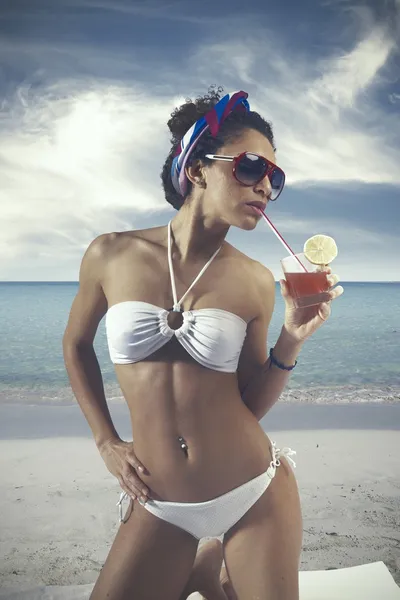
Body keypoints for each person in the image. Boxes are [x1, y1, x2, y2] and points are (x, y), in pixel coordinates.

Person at [62, 85, 343, 600]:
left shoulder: (256, 280)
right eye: (253, 168)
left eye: (274, 178)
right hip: (159, 500)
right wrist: (105, 441)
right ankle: (203, 566)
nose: (265, 187)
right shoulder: (110, 254)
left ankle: (215, 560)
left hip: (252, 490)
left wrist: (291, 336)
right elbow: (76, 345)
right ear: (197, 169)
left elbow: (250, 403)